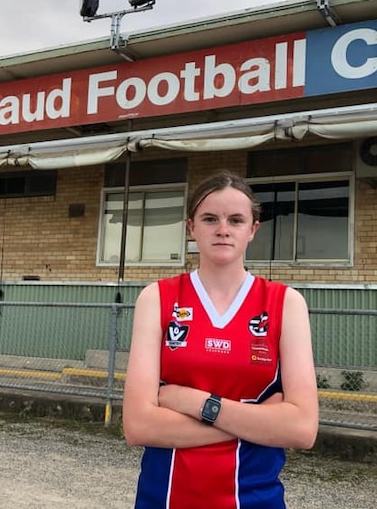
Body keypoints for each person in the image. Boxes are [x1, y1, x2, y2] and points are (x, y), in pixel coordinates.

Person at [122, 170, 320, 509]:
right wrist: (257, 421)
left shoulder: (286, 304)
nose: (223, 229)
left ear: (253, 229)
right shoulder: (157, 298)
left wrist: (195, 404)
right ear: (191, 227)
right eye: (210, 218)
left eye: (236, 219)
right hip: (165, 499)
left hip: (256, 500)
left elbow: (302, 429)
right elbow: (138, 425)